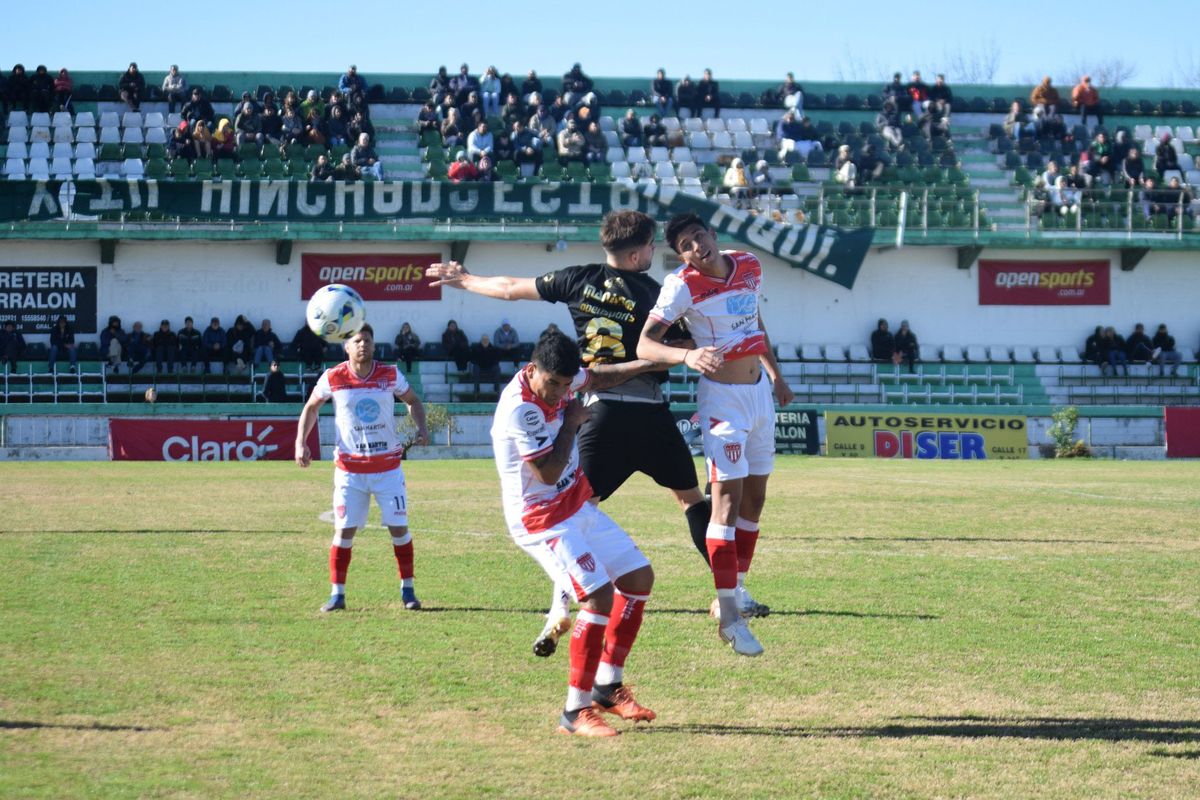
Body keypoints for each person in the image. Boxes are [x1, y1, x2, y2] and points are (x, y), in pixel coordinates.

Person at [427, 211, 721, 657]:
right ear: (639, 252)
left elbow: (509, 288)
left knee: (579, 506)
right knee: (690, 499)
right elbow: (684, 344)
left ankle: (557, 606)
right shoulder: (656, 292)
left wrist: (465, 279)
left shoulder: (576, 279)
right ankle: (730, 596)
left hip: (594, 409)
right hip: (641, 406)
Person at [637, 213, 794, 657]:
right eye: (685, 245)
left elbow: (755, 323)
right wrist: (684, 358)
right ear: (681, 254)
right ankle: (729, 618)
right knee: (724, 502)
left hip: (759, 395)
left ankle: (737, 589)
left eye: (698, 237)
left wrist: (776, 376)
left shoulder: (749, 265)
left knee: (756, 498)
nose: (695, 248)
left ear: (713, 236)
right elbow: (645, 345)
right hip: (722, 401)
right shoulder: (681, 285)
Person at [490, 330, 657, 736]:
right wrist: (570, 421)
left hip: (577, 504)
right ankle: (574, 711)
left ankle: (607, 685)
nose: (559, 392)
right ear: (532, 371)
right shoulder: (520, 410)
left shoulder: (563, 381)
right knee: (599, 596)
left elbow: (598, 378)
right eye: (553, 384)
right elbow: (546, 473)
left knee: (638, 578)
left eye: (566, 385)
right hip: (541, 519)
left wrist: (654, 362)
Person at [295, 324, 429, 613]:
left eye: (367, 340)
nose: (363, 345)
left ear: (373, 343)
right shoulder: (333, 377)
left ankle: (408, 591)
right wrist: (300, 442)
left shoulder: (390, 374)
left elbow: (413, 400)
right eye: (357, 341)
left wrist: (421, 426)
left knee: (399, 528)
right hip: (350, 472)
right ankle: (337, 595)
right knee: (344, 532)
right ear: (346, 347)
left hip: (387, 470)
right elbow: (311, 407)